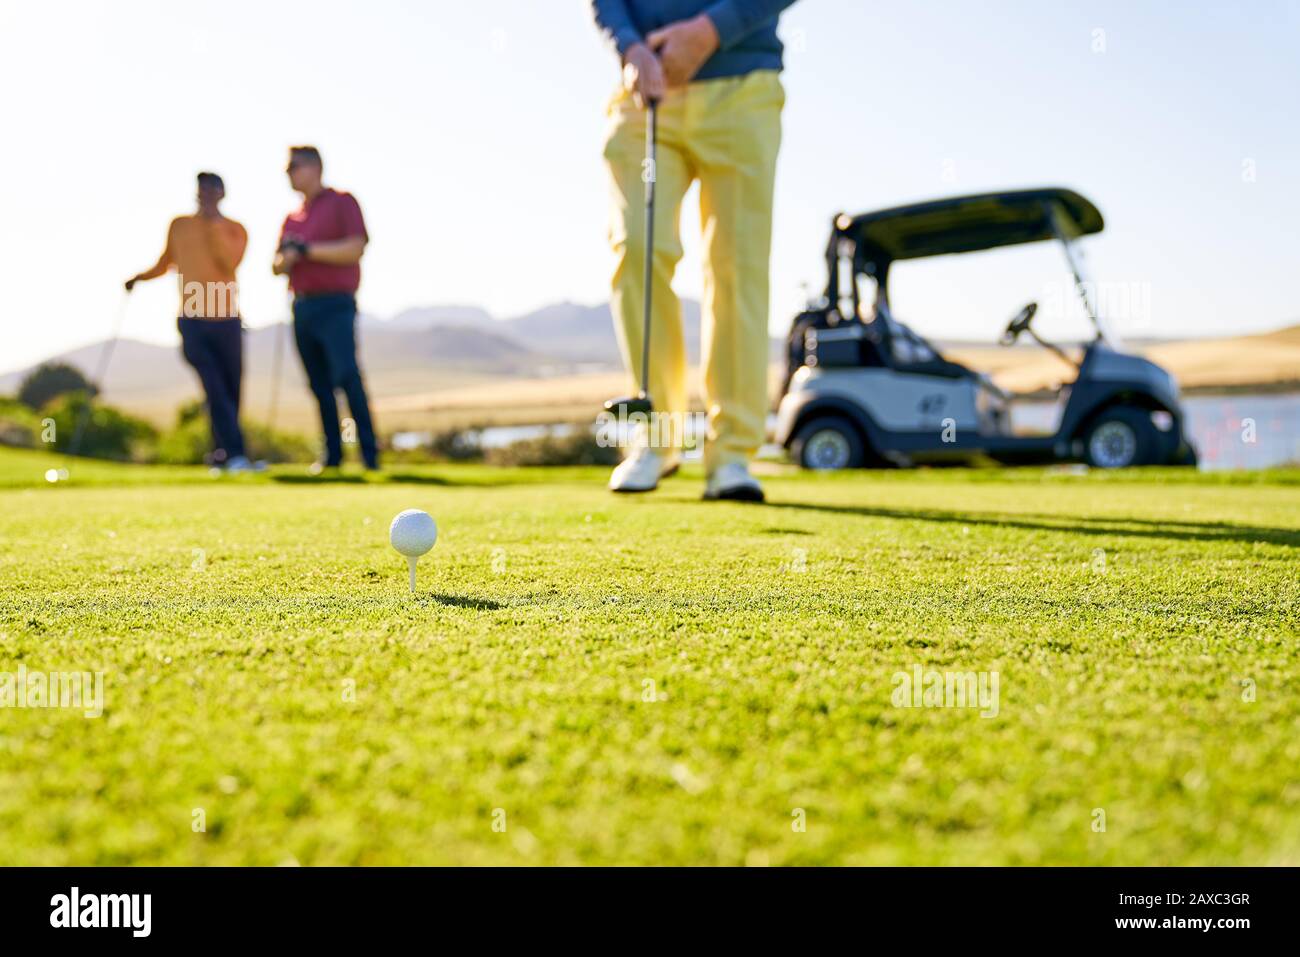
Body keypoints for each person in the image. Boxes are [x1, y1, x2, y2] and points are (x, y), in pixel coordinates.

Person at [593, 0, 797, 502]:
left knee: (737, 266)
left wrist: (712, 29)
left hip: (743, 86)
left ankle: (731, 455)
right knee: (637, 246)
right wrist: (629, 44)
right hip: (647, 89)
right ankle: (656, 437)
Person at [126, 172, 257, 472]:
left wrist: (212, 225)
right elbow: (166, 262)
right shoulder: (179, 225)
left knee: (229, 391)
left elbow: (229, 263)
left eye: (212, 190)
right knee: (214, 388)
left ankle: (222, 455)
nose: (206, 195)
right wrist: (139, 279)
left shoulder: (235, 230)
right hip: (192, 320)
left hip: (226, 320)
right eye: (202, 190)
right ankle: (236, 455)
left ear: (222, 194)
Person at [273, 145, 379, 473]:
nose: (289, 173)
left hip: (335, 304)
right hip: (302, 306)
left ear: (315, 167)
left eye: (295, 167)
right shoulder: (292, 217)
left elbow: (354, 248)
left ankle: (370, 455)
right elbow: (276, 266)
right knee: (319, 385)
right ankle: (333, 456)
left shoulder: (342, 202)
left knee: (346, 377)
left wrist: (307, 250)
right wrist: (289, 257)